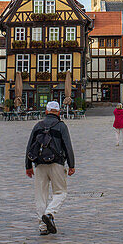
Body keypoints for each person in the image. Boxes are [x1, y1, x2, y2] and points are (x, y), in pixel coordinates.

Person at [25, 101, 75, 236]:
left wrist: (28, 166)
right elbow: (67, 146)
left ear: (46, 111)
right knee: (61, 192)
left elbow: (30, 147)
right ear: (58, 112)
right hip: (57, 164)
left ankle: (43, 227)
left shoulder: (38, 126)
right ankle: (49, 213)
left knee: (40, 196)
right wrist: (71, 165)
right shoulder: (61, 126)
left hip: (39, 165)